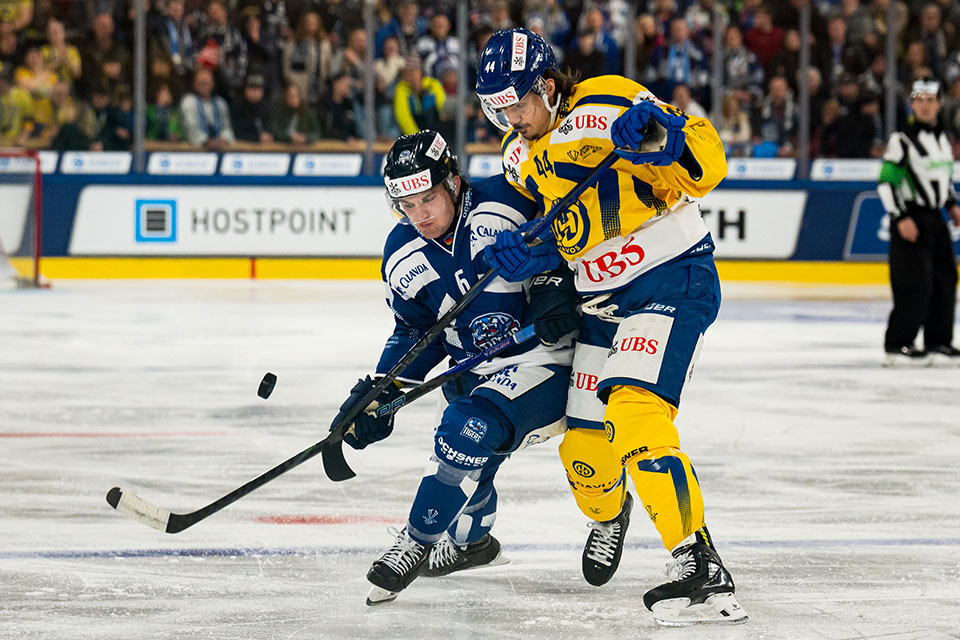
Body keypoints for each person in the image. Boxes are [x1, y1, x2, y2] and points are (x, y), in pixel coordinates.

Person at [475, 28, 746, 626]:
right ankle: (611, 514)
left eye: (515, 104)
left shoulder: (604, 103)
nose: (508, 119)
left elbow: (708, 160)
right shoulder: (518, 156)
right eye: (495, 109)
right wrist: (536, 256)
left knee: (635, 413)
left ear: (546, 86)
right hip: (600, 302)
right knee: (586, 450)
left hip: (668, 277)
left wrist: (660, 136)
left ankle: (697, 562)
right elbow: (571, 228)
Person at [333, 130, 572, 605]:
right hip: (476, 373)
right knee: (468, 457)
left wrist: (552, 288)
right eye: (406, 203)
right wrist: (384, 388)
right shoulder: (401, 254)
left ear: (454, 182)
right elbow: (416, 333)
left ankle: (415, 543)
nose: (419, 214)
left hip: (545, 359)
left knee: (466, 430)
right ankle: (472, 544)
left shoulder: (507, 202)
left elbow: (568, 248)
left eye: (428, 198)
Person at [877, 78, 960, 366]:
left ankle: (939, 341)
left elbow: (940, 179)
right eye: (920, 100)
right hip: (911, 217)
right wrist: (900, 217)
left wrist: (951, 205)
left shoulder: (942, 140)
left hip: (935, 218)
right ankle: (898, 344)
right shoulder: (902, 140)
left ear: (938, 104)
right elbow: (886, 183)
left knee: (944, 280)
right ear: (913, 104)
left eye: (930, 100)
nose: (925, 106)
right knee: (914, 284)